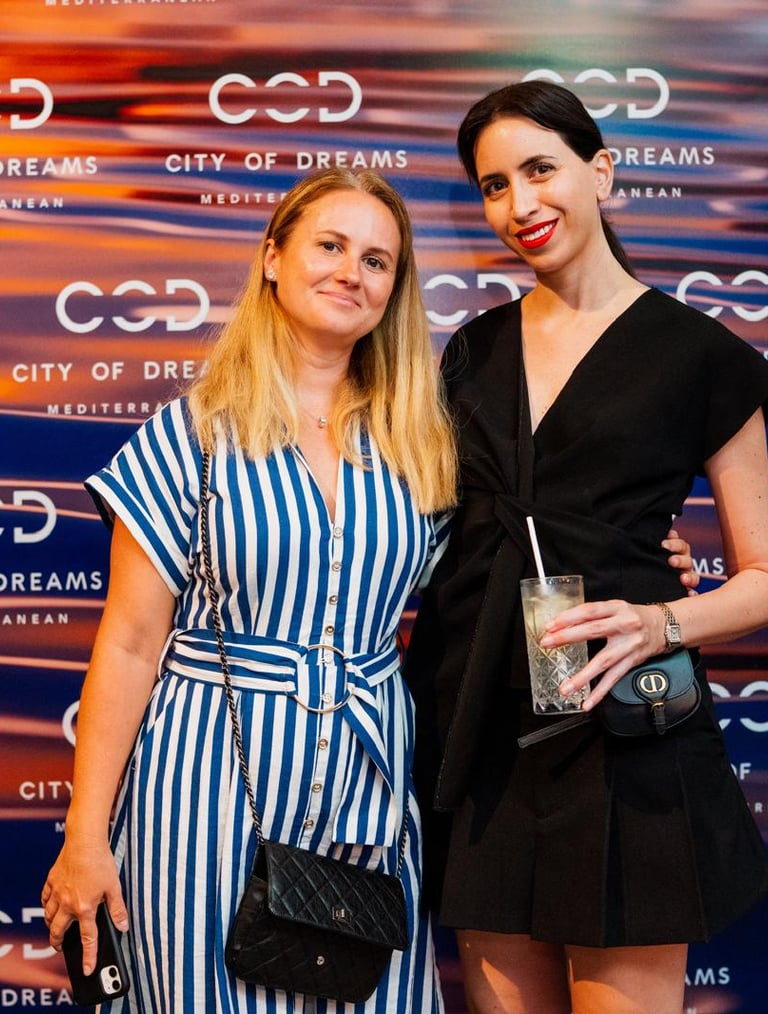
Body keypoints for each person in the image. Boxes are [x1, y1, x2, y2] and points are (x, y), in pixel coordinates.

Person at [40, 167, 459, 1013]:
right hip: (202, 791)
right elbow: (126, 644)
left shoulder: (422, 444)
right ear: (273, 258)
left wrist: (650, 555)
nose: (353, 272)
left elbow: (487, 588)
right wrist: (85, 834)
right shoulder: (193, 434)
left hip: (365, 793)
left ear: (395, 290)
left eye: (378, 261)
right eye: (330, 246)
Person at [405, 81, 768, 1014]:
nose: (520, 205)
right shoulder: (472, 351)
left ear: (599, 172)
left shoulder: (702, 355)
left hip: (624, 737)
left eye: (540, 170)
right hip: (483, 724)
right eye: (493, 185)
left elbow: (764, 577)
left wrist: (662, 617)